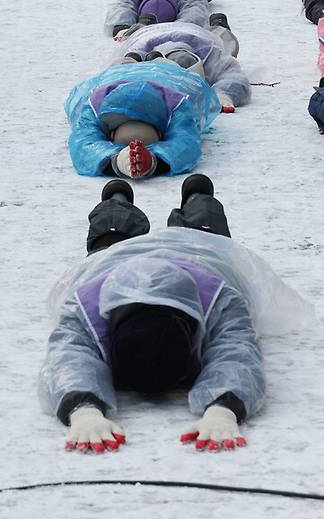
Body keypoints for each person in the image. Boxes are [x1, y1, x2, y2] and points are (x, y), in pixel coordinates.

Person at [39, 175, 309, 452]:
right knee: (111, 240)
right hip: (115, 263)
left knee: (205, 234)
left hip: (201, 257)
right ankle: (117, 203)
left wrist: (223, 409)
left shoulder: (221, 298)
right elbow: (68, 356)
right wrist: (83, 412)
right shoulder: (85, 305)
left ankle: (197, 199)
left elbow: (237, 351)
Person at [65, 61, 220, 178]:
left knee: (128, 59)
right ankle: (153, 58)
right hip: (167, 72)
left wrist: (114, 161)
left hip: (131, 71)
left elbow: (84, 144)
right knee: (177, 59)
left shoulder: (95, 104)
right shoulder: (176, 104)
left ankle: (135, 58)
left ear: (111, 135)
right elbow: (185, 144)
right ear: (160, 133)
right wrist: (155, 161)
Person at [114, 20, 251, 111]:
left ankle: (218, 23)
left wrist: (222, 95)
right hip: (148, 33)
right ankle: (140, 24)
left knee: (225, 38)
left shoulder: (210, 54)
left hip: (196, 32)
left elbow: (234, 76)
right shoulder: (137, 54)